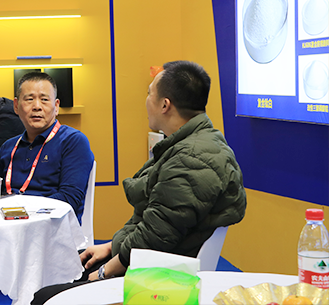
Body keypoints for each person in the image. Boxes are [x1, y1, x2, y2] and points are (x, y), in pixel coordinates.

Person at [31, 61, 247, 304]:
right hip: (152, 259)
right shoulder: (193, 145)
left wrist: (104, 272)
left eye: (149, 93)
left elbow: (155, 236)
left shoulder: (192, 159)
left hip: (160, 277)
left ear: (164, 105)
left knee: (43, 297)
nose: (146, 101)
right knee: (62, 266)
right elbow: (154, 222)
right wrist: (111, 247)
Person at [0, 72, 94, 222]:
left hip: (52, 227)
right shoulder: (8, 147)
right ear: (16, 106)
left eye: (44, 100)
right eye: (29, 99)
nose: (37, 107)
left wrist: (25, 209)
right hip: (9, 225)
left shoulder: (73, 141)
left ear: (56, 106)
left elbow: (69, 198)